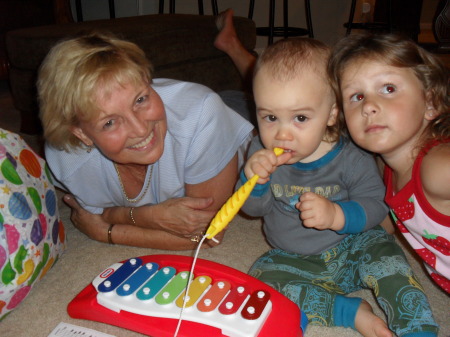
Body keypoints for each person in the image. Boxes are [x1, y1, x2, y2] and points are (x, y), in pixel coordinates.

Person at [238, 37, 439, 337]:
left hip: (351, 247)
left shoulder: (350, 155)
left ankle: (416, 327)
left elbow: (375, 204)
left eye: (301, 118)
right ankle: (351, 312)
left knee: (386, 256)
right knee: (261, 282)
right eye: (269, 117)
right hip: (291, 257)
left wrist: (337, 216)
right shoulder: (258, 152)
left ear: (331, 114)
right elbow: (254, 210)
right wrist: (253, 181)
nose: (282, 134)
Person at [37, 31, 254, 250]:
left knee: (269, 87)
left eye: (140, 99)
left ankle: (233, 46)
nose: (141, 129)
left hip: (239, 111)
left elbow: (209, 235)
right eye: (110, 122)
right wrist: (146, 217)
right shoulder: (69, 160)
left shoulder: (201, 115)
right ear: (81, 134)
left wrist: (109, 231)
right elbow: (97, 211)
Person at [328, 33, 450, 294]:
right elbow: (389, 221)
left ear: (431, 103)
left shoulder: (437, 166)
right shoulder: (386, 171)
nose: (369, 106)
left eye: (388, 89)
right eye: (357, 96)